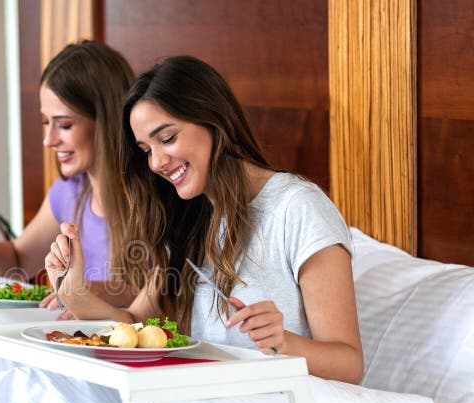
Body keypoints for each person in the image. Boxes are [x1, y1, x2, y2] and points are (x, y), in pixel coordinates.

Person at [46, 56, 364, 384]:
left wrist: (284, 341)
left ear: (213, 120)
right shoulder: (188, 219)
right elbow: (134, 325)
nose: (155, 162)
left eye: (167, 138)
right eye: (145, 149)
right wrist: (72, 292)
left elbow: (349, 364)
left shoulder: (297, 208)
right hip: (199, 399)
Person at [0, 40, 135, 309]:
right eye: (45, 123)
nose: (48, 140)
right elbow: (18, 260)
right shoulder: (69, 192)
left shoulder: (155, 199)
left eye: (64, 125)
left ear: (107, 120)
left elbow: (177, 295)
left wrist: (106, 293)